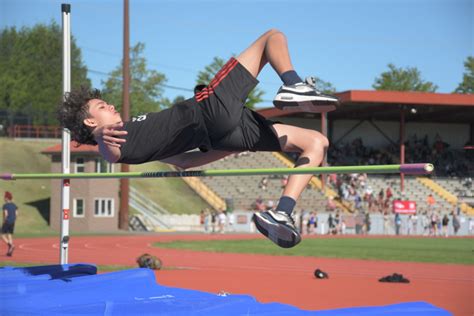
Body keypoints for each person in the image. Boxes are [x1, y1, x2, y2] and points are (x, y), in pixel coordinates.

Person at [58, 29, 338, 248]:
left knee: (316, 143)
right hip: (207, 110)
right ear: (90, 121)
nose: (110, 106)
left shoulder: (137, 139)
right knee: (272, 37)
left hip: (224, 134)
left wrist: (227, 149)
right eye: (102, 107)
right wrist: (102, 138)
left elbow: (183, 161)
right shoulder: (116, 140)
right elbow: (111, 155)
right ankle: (293, 85)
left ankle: (281, 213)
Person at [2, 191, 18, 256]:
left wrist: (4, 221)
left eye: (4, 197)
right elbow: (16, 214)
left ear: (6, 198)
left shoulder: (5, 205)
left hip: (7, 221)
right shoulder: (14, 205)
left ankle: (11, 245)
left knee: (2, 235)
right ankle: (9, 252)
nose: (4, 198)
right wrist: (13, 220)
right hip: (12, 222)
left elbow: (6, 214)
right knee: (9, 235)